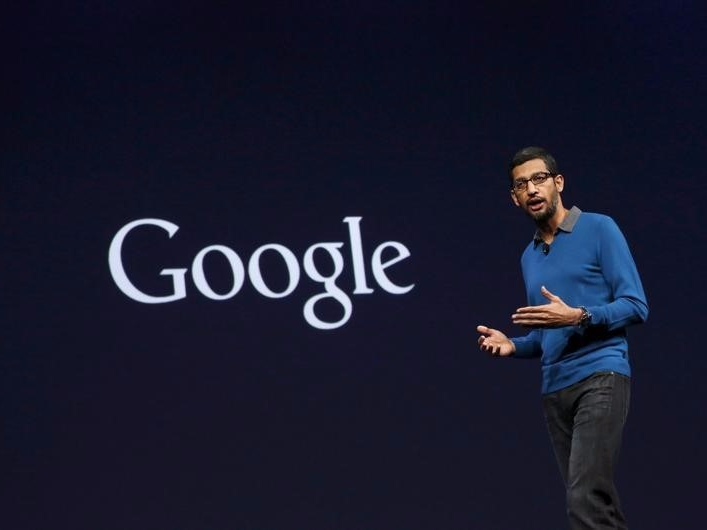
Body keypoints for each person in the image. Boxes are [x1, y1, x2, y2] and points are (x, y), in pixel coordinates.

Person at [477, 146, 648, 529]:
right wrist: (513, 345)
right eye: (521, 185)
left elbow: (636, 305)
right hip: (555, 389)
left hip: (601, 376)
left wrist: (580, 315)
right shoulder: (529, 256)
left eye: (539, 179)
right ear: (514, 198)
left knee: (585, 497)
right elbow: (544, 336)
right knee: (591, 504)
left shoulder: (599, 228)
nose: (532, 189)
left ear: (558, 183)